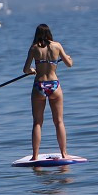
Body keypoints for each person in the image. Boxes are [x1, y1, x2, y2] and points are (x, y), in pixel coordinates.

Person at [22, 23, 74, 161]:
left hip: (39, 85)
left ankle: (34, 156)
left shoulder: (34, 48)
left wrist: (33, 70)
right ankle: (64, 153)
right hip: (54, 85)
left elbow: (25, 69)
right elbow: (69, 64)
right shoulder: (57, 46)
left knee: (37, 123)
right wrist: (68, 57)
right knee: (59, 121)